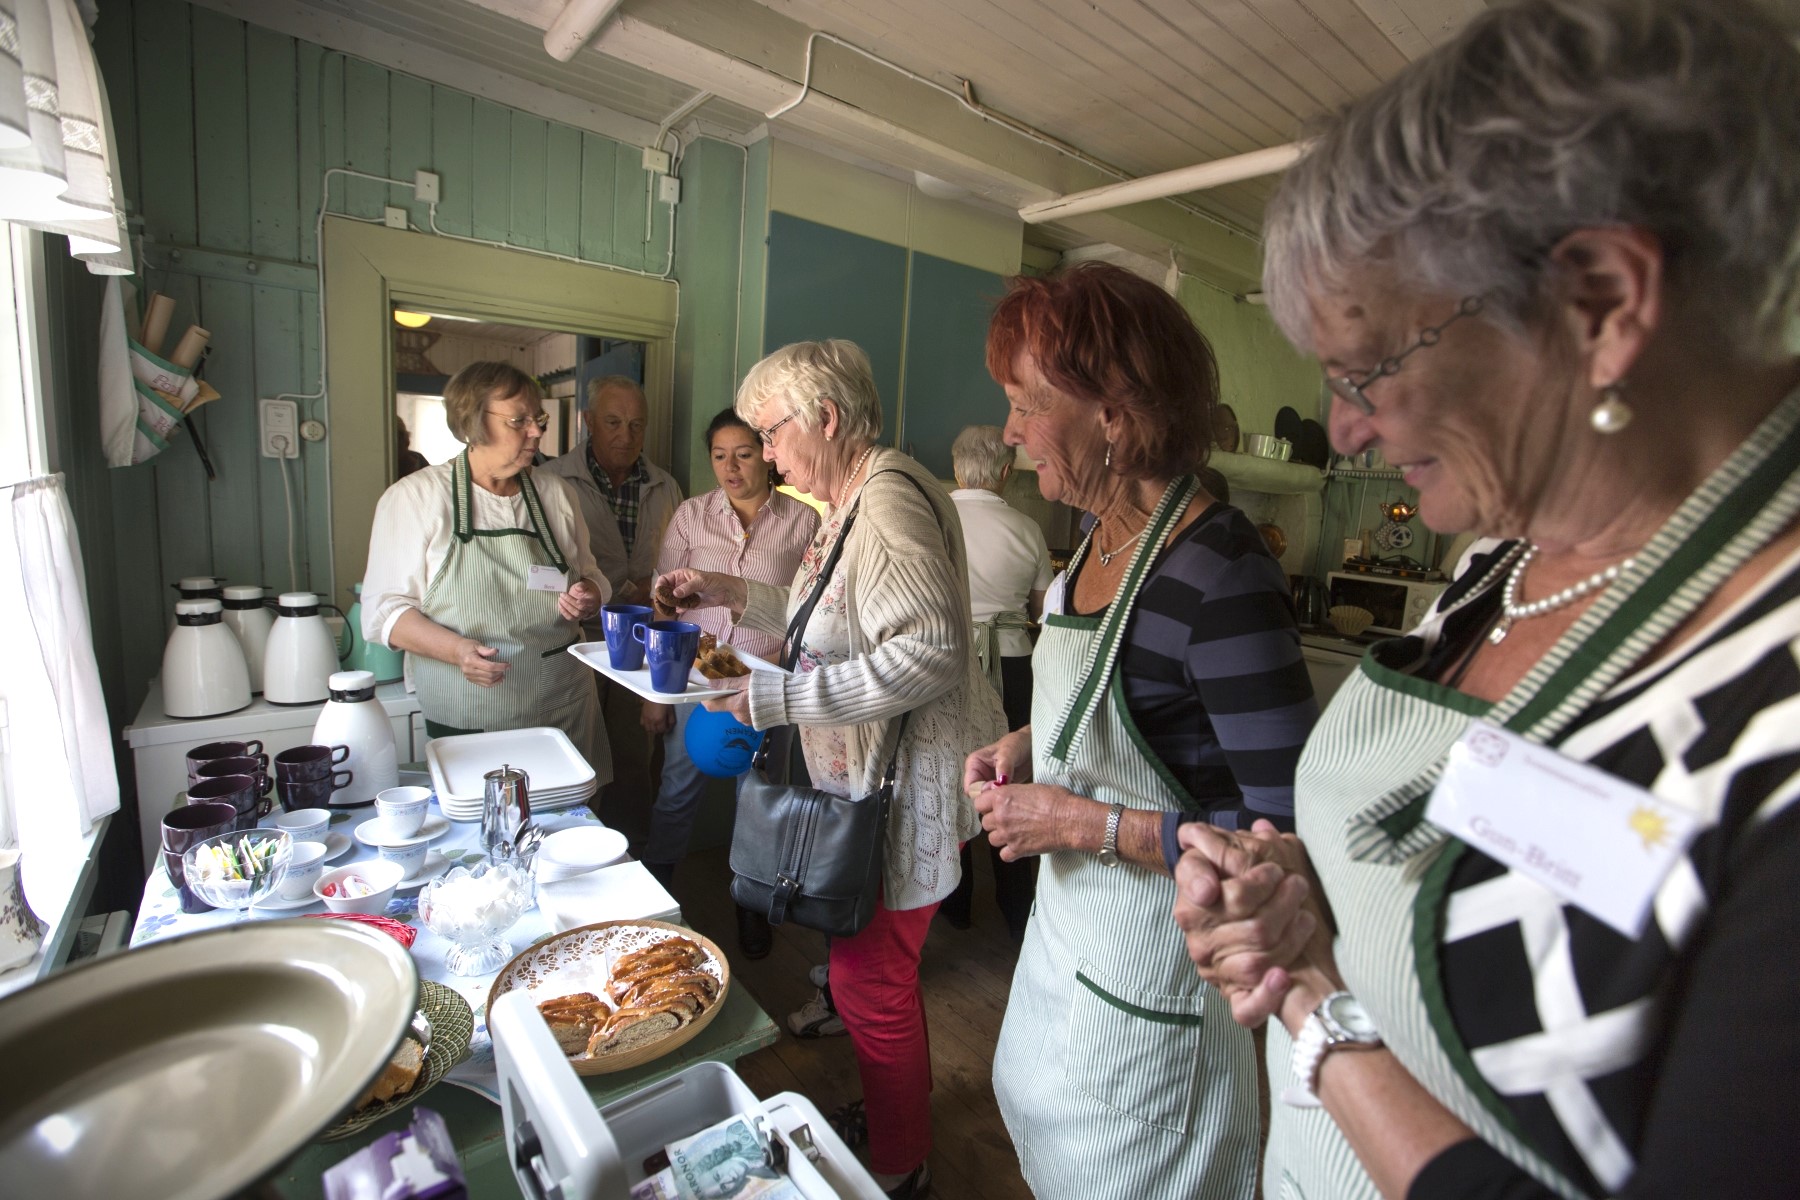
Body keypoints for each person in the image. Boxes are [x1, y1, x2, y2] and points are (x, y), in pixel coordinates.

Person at [1170, 4, 1800, 1199]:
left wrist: (1312, 1007)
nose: (1346, 429)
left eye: (1367, 372)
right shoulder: (1497, 558)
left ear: (1603, 302)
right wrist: (1298, 894)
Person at [961, 263, 1317, 1200]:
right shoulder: (1092, 542)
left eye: (1026, 405)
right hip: (1068, 960)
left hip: (1161, 991)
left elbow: (1279, 845)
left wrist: (1079, 826)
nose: (1009, 432)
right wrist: (1028, 745)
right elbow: (1129, 704)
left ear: (1113, 414)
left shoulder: (1222, 574)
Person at [661, 339, 1005, 1200]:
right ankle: (902, 1130)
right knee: (866, 976)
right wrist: (730, 590)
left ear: (825, 416)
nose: (766, 455)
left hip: (906, 792)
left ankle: (899, 1161)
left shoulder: (884, 502)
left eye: (770, 434)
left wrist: (774, 704)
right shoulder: (856, 496)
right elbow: (829, 612)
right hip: (878, 784)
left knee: (870, 981)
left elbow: (928, 653)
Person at [361, 361, 609, 779]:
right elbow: (383, 614)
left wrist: (589, 594)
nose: (536, 431)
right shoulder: (416, 499)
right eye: (519, 420)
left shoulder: (557, 494)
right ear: (473, 423)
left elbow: (592, 574)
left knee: (574, 821)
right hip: (472, 706)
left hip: (562, 700)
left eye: (539, 418)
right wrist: (457, 652)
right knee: (488, 826)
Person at [640, 407, 818, 957]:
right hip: (696, 678)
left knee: (760, 799)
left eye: (743, 453)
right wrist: (657, 691)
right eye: (719, 456)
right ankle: (656, 894)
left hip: (767, 684)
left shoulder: (803, 522)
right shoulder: (692, 516)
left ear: (767, 454)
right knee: (677, 789)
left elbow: (809, 609)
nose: (731, 467)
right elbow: (663, 602)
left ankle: (750, 907)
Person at [938, 424, 1052, 940]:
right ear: (1006, 473)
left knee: (950, 776)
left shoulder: (932, 516)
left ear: (957, 468)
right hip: (1010, 662)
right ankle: (1015, 905)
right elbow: (1041, 610)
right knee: (1010, 774)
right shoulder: (1027, 529)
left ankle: (954, 902)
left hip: (945, 663)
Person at [541, 374, 683, 610]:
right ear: (589, 421)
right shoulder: (550, 481)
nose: (626, 437)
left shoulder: (666, 487)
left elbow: (684, 560)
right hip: (581, 633)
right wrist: (583, 592)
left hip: (647, 627)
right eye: (613, 423)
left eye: (636, 425)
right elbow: (532, 567)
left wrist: (656, 583)